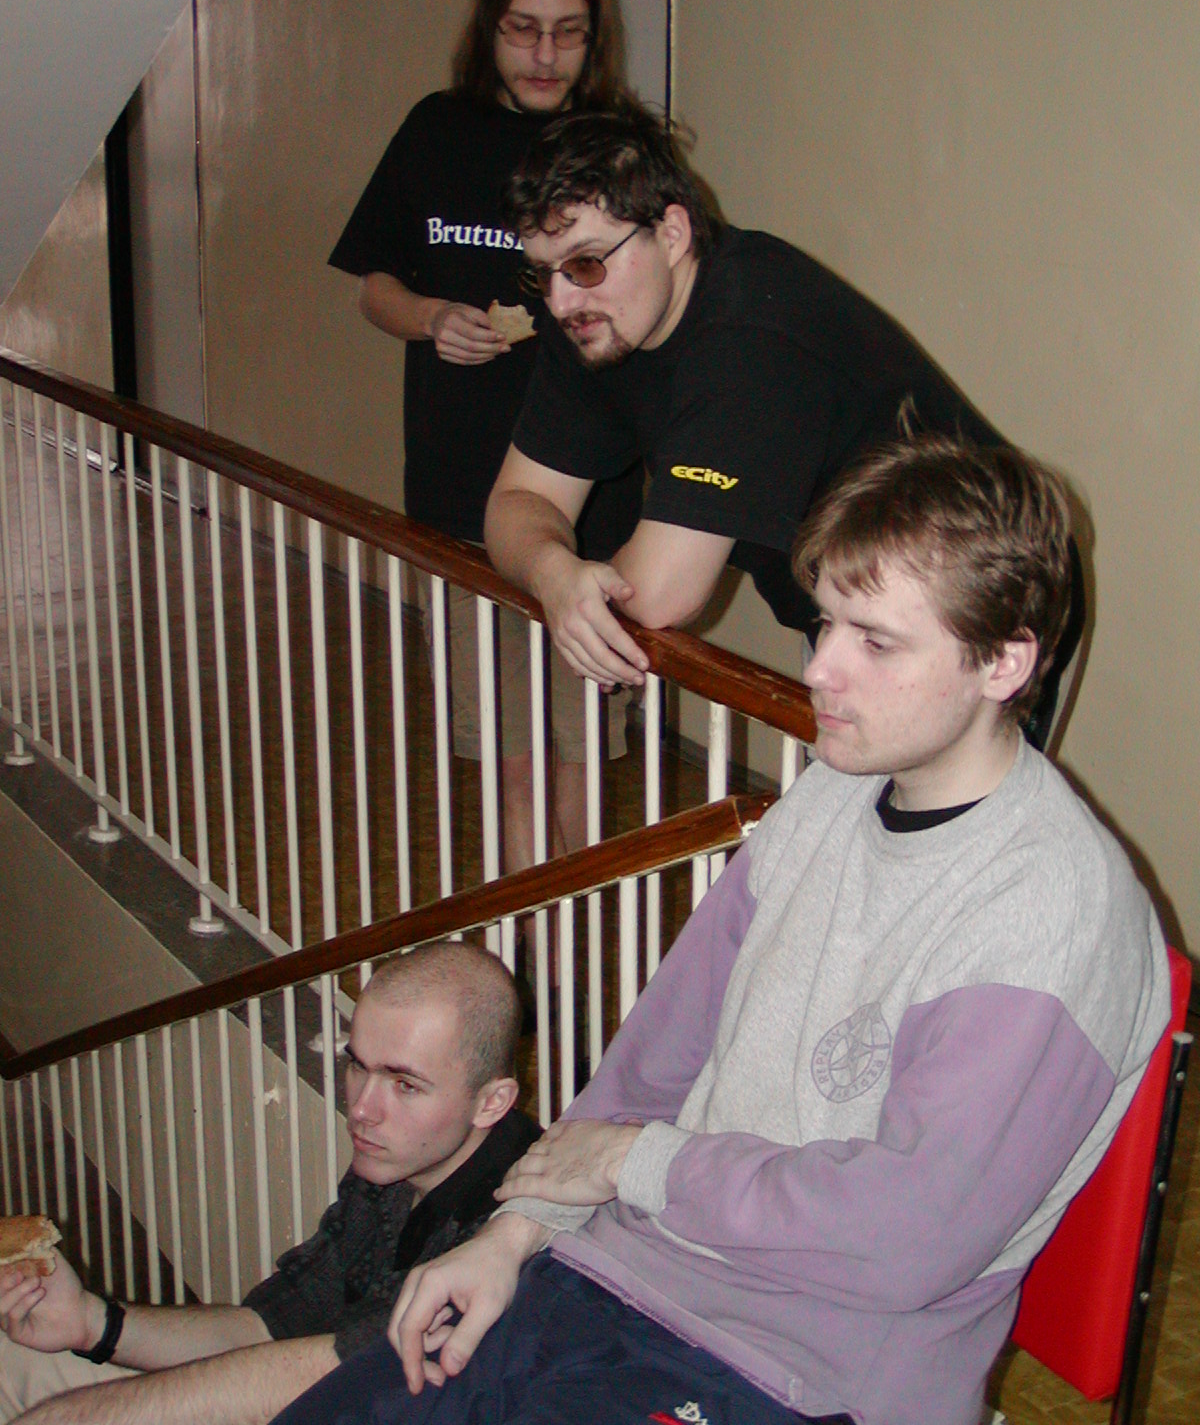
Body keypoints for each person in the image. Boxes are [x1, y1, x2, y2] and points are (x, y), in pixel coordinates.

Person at [272, 434, 1169, 1425]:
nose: (820, 669)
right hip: (621, 1273)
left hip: (804, 1370)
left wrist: (633, 1163)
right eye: (825, 623)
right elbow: (657, 1058)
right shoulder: (833, 794)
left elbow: (902, 1243)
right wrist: (515, 1230)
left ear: (1004, 662)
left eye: (875, 642)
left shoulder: (1051, 916)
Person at [483, 105, 1083, 747]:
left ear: (673, 233)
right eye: (543, 272)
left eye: (586, 263)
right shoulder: (594, 320)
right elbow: (517, 501)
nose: (561, 301)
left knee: (956, 811)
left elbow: (659, 593)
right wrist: (553, 573)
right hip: (852, 606)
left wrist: (576, 590)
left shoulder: (750, 332)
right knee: (854, 797)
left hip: (986, 607)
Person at [329, 0, 641, 874]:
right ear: (488, 27)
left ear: (595, 37)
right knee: (512, 761)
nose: (545, 55)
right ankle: (536, 949)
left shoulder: (621, 148)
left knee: (583, 761)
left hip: (591, 506)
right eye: (523, 29)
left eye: (569, 32)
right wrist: (429, 317)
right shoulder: (436, 128)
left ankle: (582, 951)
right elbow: (373, 287)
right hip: (463, 498)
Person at [0, 944, 538, 1425]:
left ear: (492, 1102)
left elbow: (337, 1378)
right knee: (15, 1356)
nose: (362, 1110)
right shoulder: (396, 1165)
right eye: (358, 1066)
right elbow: (271, 1325)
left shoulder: (511, 1234)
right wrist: (92, 1323)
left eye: (404, 1084)